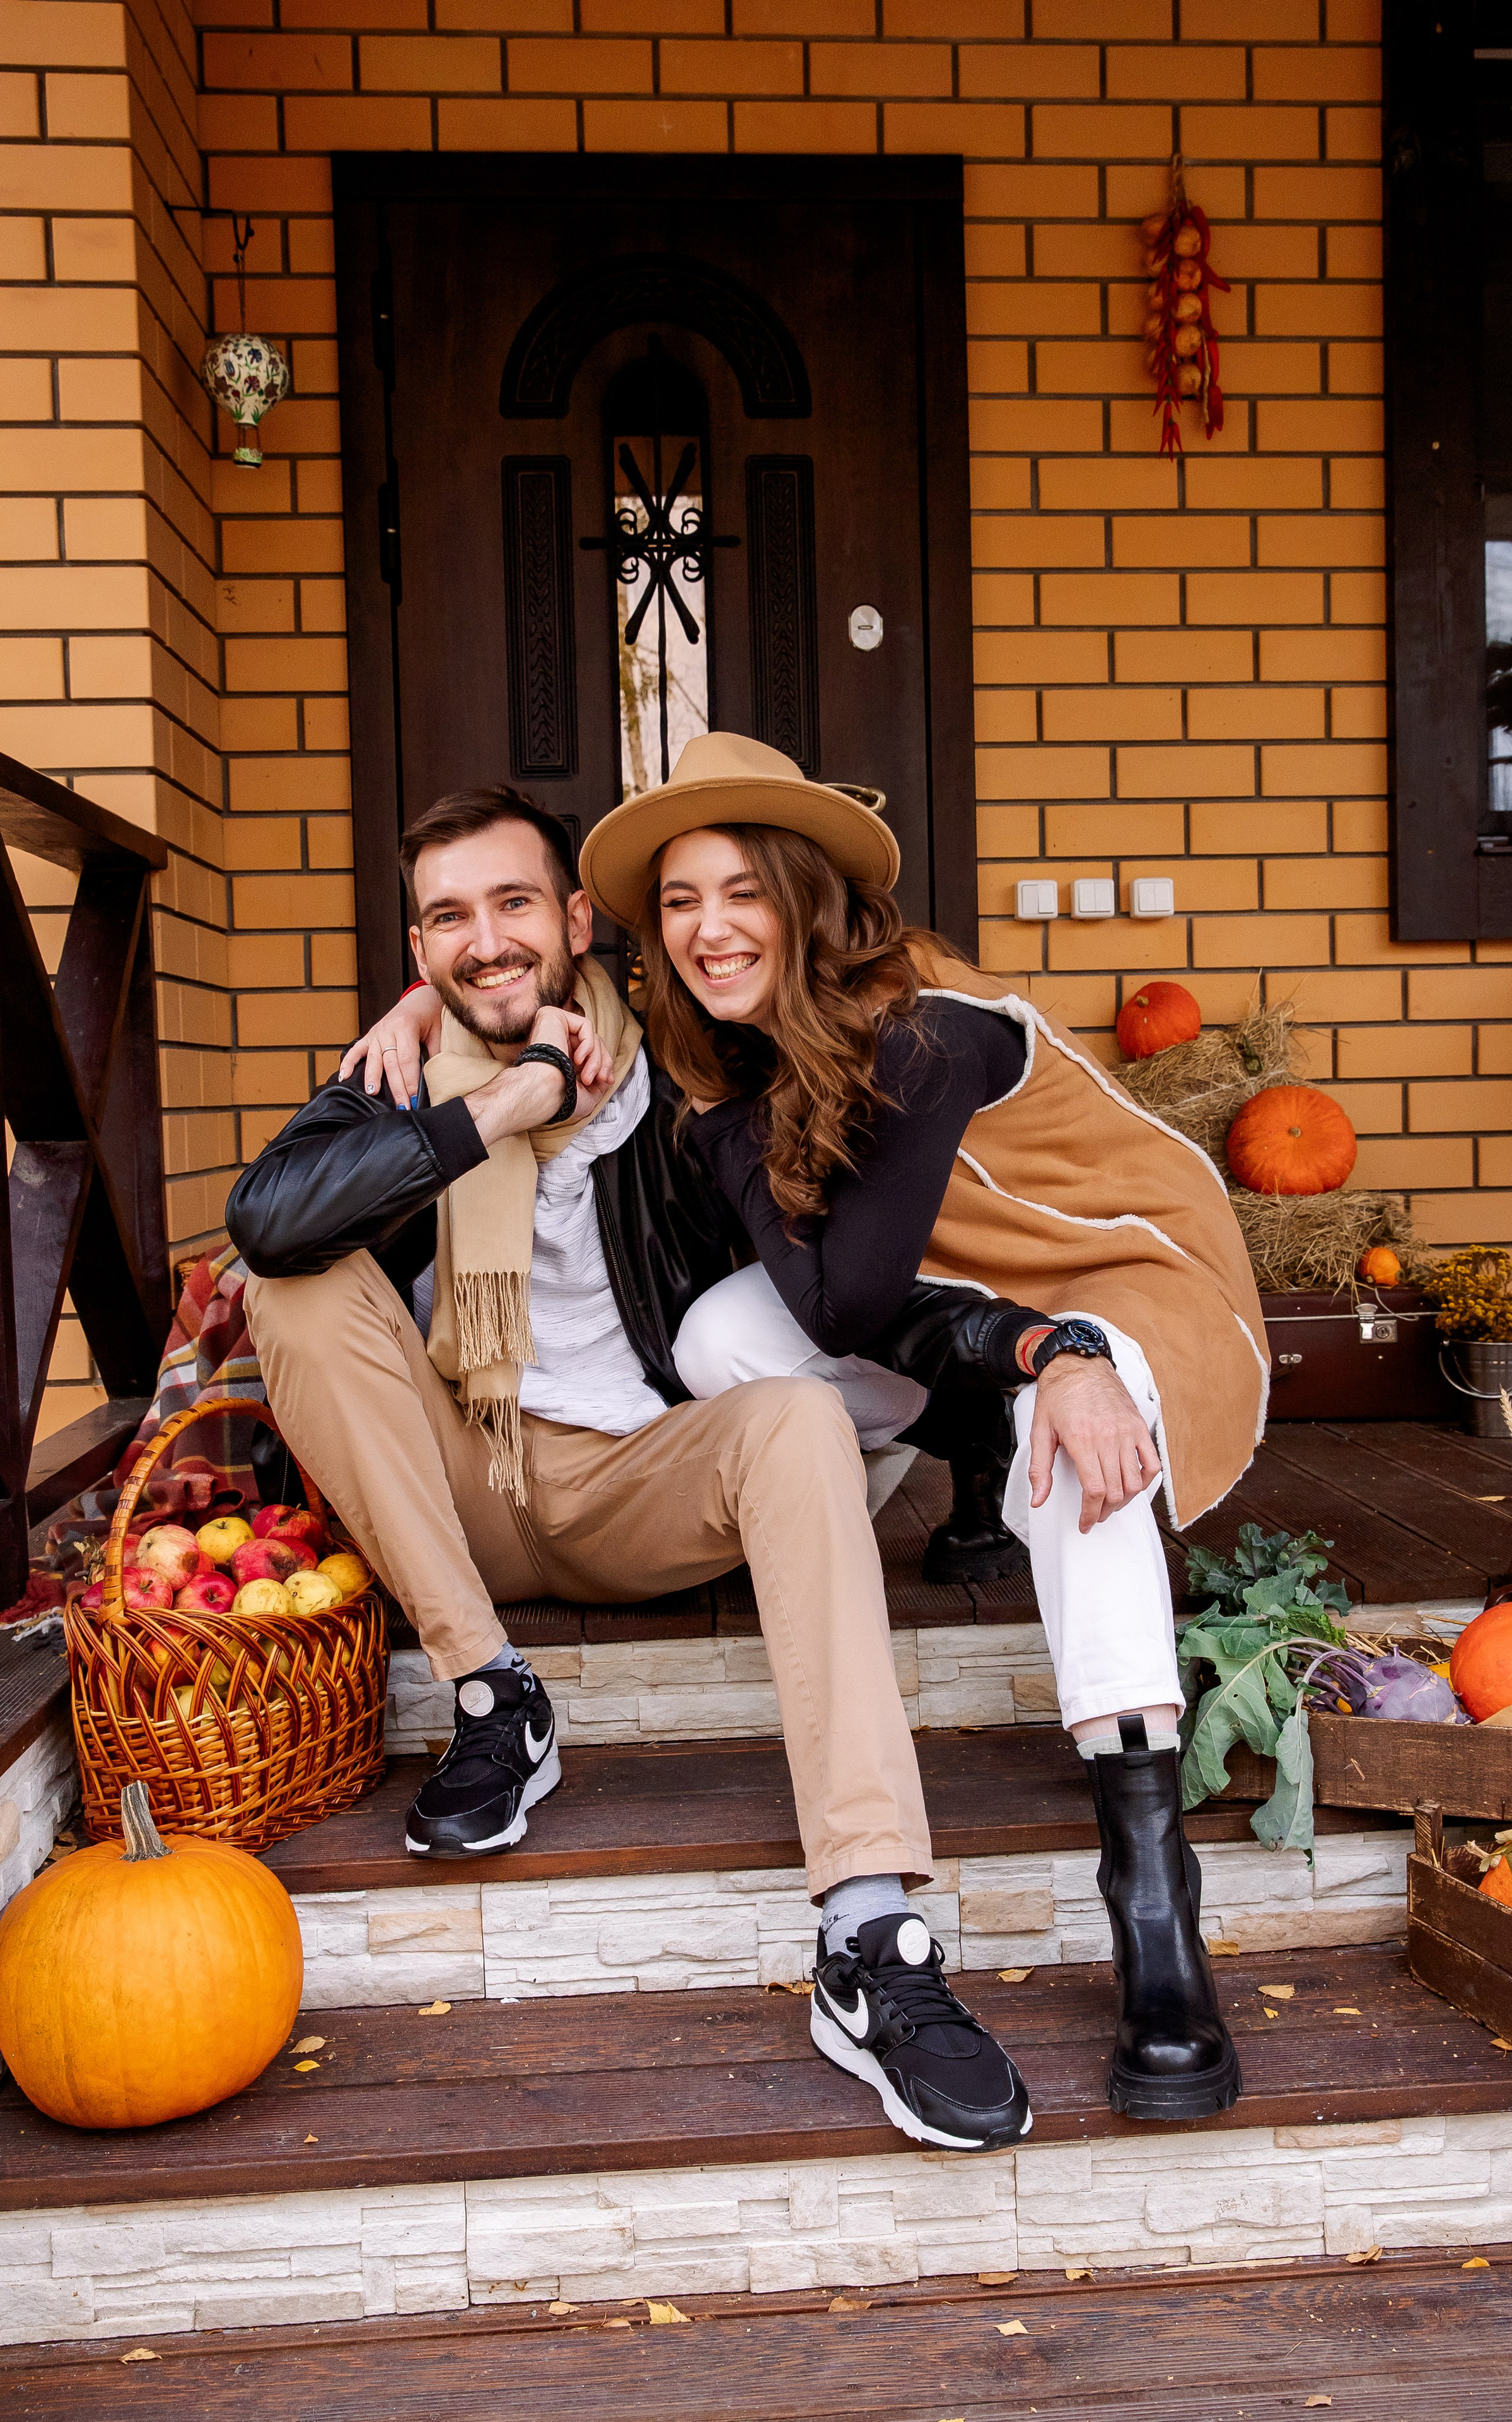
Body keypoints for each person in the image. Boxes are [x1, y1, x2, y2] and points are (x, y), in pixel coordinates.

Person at [359, 736, 1269, 2126]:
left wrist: (1060, 1348)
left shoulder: (927, 1026)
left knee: (1063, 1445)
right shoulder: (716, 1059)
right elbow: (818, 1297)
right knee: (727, 1335)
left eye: (741, 893)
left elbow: (846, 1291)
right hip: (955, 1309)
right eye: (679, 903)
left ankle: (1153, 1904)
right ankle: (982, 1424)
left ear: (801, 896)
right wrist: (424, 1016)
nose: (709, 929)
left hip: (1113, 1279)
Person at [226, 785, 1032, 2154]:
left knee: (789, 1418)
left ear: (576, 920)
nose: (484, 943)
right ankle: (496, 1699)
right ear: (416, 948)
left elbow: (855, 1111)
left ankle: (869, 1930)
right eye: (447, 919)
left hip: (649, 1477)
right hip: (465, 1489)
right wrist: (500, 1102)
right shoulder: (401, 1075)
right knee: (290, 1287)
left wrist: (1020, 1349)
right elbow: (270, 1217)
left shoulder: (691, 1062)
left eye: (512, 905)